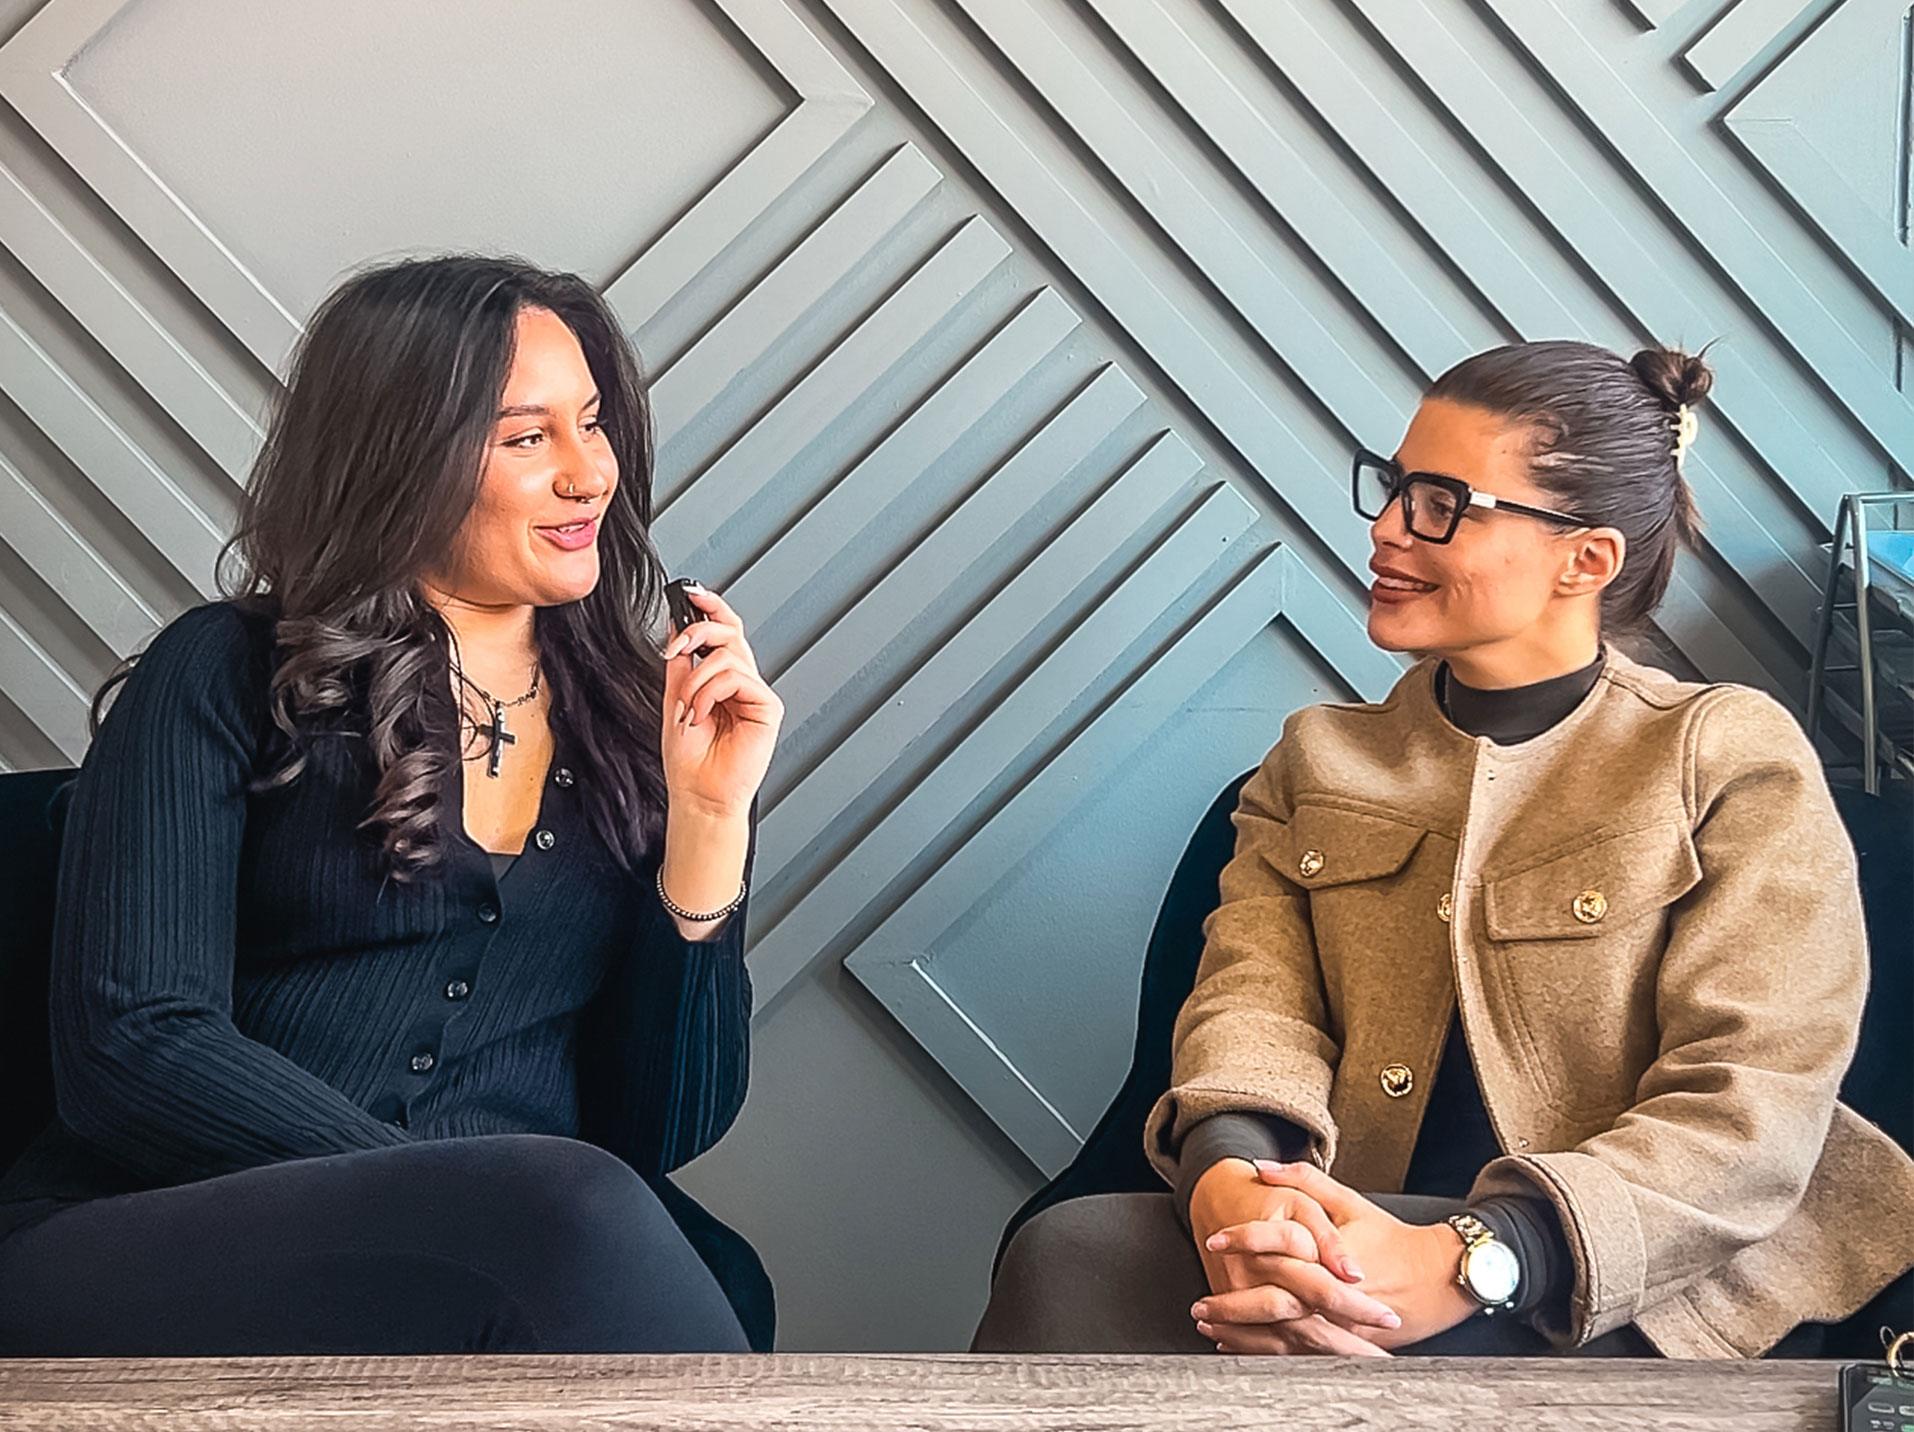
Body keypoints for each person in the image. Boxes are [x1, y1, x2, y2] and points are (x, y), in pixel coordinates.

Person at [973, 339, 1914, 1359]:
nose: (1387, 528)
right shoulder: (1315, 761)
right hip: (1353, 1223)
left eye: (1442, 504)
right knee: (1069, 1257)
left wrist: (1480, 1257)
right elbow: (1250, 1010)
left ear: (1585, 559)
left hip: (1631, 1263)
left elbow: (1750, 1105)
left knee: (1368, 1356)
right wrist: (1232, 1194)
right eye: (1394, 489)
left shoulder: (1725, 756)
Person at [0, 256, 784, 1355]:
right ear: (402, 455)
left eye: (593, 422)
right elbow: (134, 1047)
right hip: (151, 1237)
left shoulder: (642, 730)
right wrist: (451, 1201)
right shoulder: (226, 669)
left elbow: (660, 1127)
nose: (587, 474)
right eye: (528, 438)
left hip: (506, 1270)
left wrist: (707, 823)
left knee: (698, 1260)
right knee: (572, 1214)